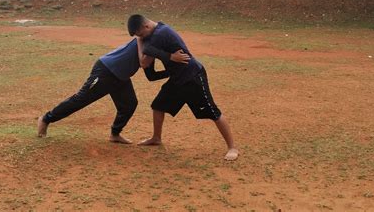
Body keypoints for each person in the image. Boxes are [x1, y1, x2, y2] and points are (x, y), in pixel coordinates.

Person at [127, 14, 239, 160]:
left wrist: (141, 42)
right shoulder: (155, 32)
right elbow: (149, 58)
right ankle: (156, 138)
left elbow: (144, 62)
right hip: (177, 78)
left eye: (141, 34)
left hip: (192, 77)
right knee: (158, 106)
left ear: (146, 26)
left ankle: (232, 147)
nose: (141, 37)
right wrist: (165, 54)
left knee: (213, 112)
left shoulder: (161, 34)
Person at [37, 38, 190, 143]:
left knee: (129, 104)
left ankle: (115, 134)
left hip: (121, 77)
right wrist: (170, 58)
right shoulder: (146, 41)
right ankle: (46, 119)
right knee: (80, 100)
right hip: (106, 70)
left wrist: (171, 72)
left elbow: (151, 75)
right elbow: (143, 56)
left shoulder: (153, 51)